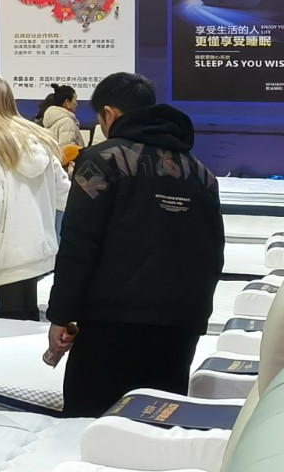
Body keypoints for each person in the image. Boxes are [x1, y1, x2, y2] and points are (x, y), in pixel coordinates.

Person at [45, 72, 223, 418]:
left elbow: (79, 244)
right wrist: (196, 317)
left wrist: (61, 315)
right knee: (155, 428)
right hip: (181, 326)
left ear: (109, 114)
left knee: (89, 425)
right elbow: (214, 253)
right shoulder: (200, 173)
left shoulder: (101, 160)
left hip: (111, 323)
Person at [0, 74, 69, 320]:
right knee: (26, 320)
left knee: (12, 323)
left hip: (5, 254)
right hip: (37, 250)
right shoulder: (38, 141)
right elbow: (64, 194)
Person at [38, 83, 85, 149]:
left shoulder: (51, 118)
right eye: (75, 99)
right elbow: (67, 150)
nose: (76, 103)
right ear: (67, 102)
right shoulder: (67, 121)